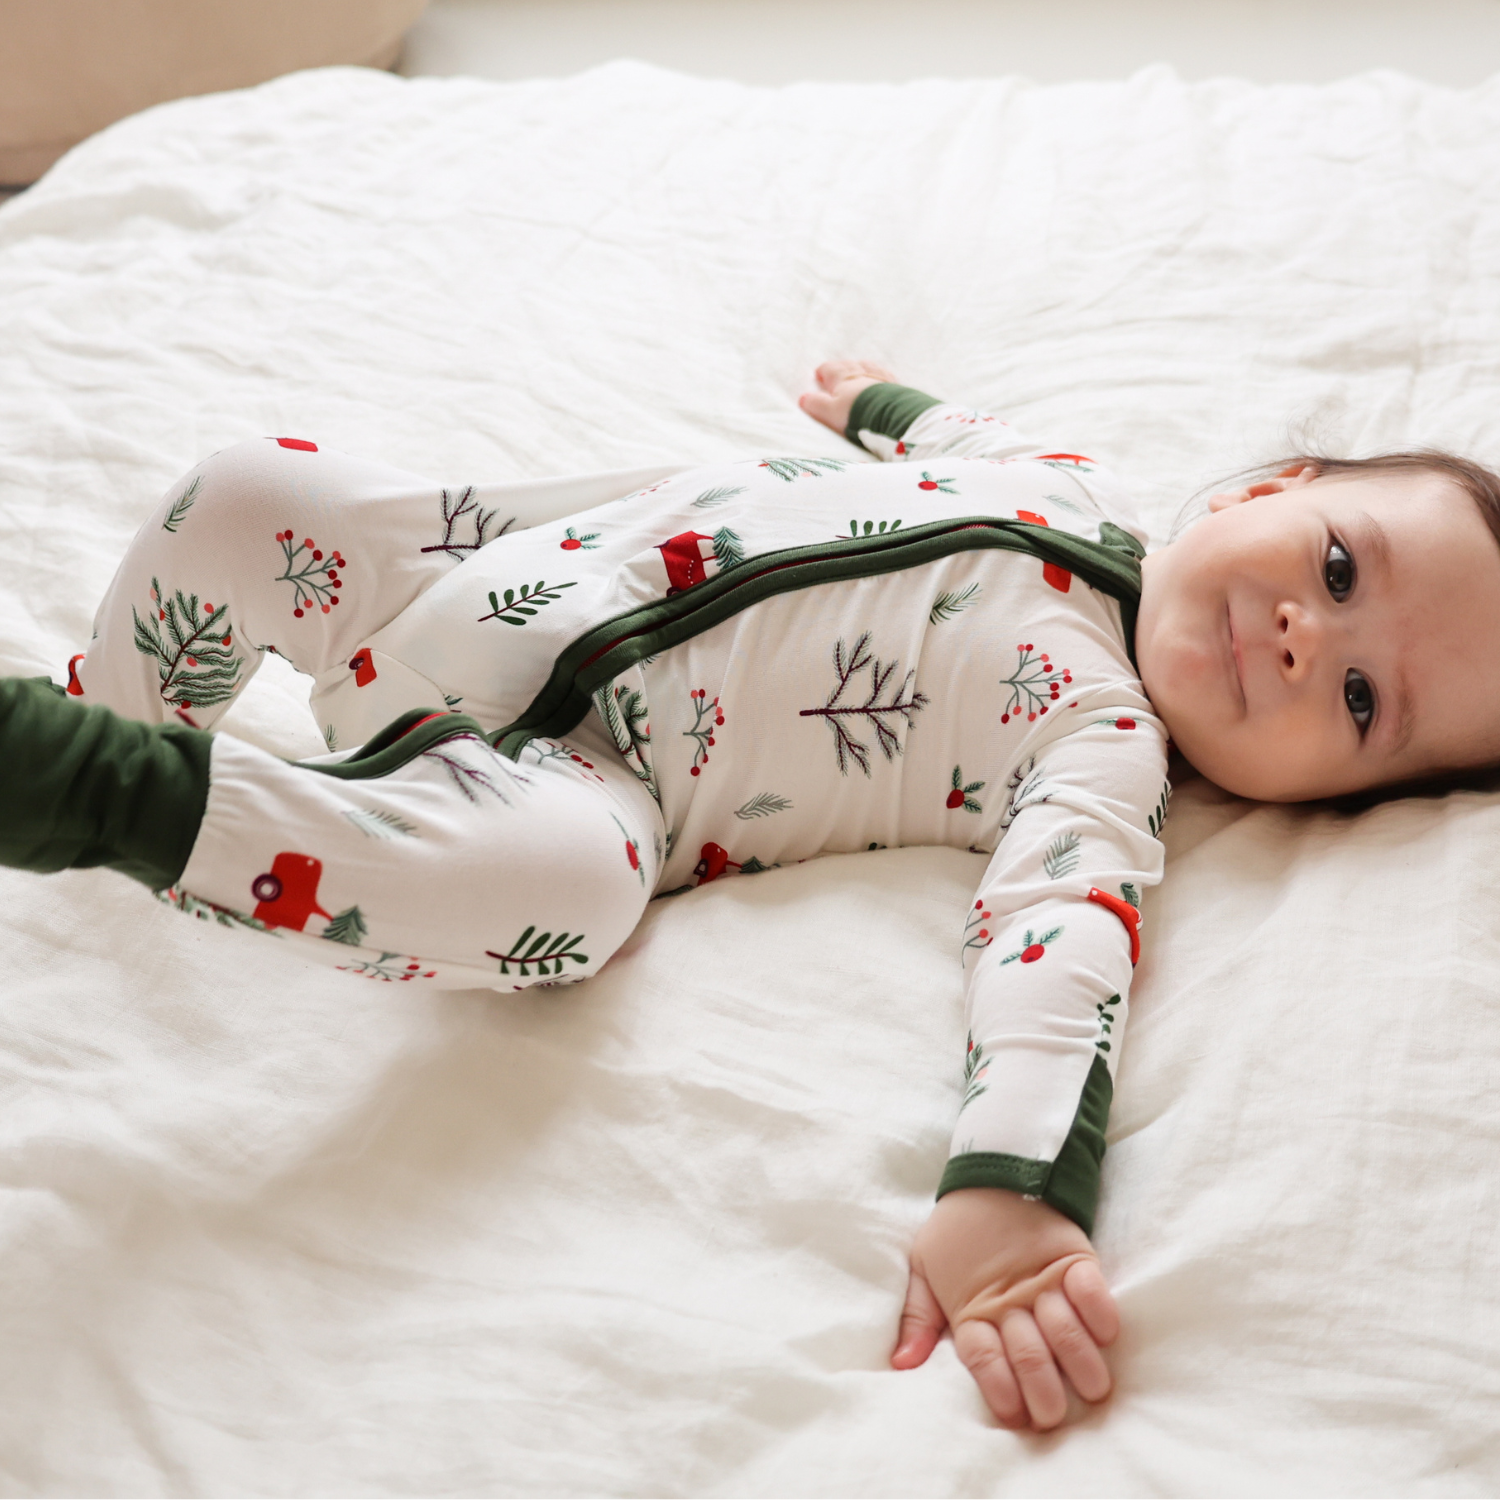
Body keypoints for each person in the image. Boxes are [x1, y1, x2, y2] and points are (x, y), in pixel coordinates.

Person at [5, 359, 1500, 1432]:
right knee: (248, 489)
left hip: (578, 773)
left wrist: (1012, 1196)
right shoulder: (1079, 483)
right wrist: (888, 410)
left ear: (1323, 800)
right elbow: (972, 438)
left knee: (564, 898)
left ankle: (101, 788)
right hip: (474, 571)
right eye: (1339, 569)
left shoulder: (1101, 744)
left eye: (1363, 702)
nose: (1306, 640)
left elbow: (1062, 938)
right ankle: (122, 708)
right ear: (1273, 487)